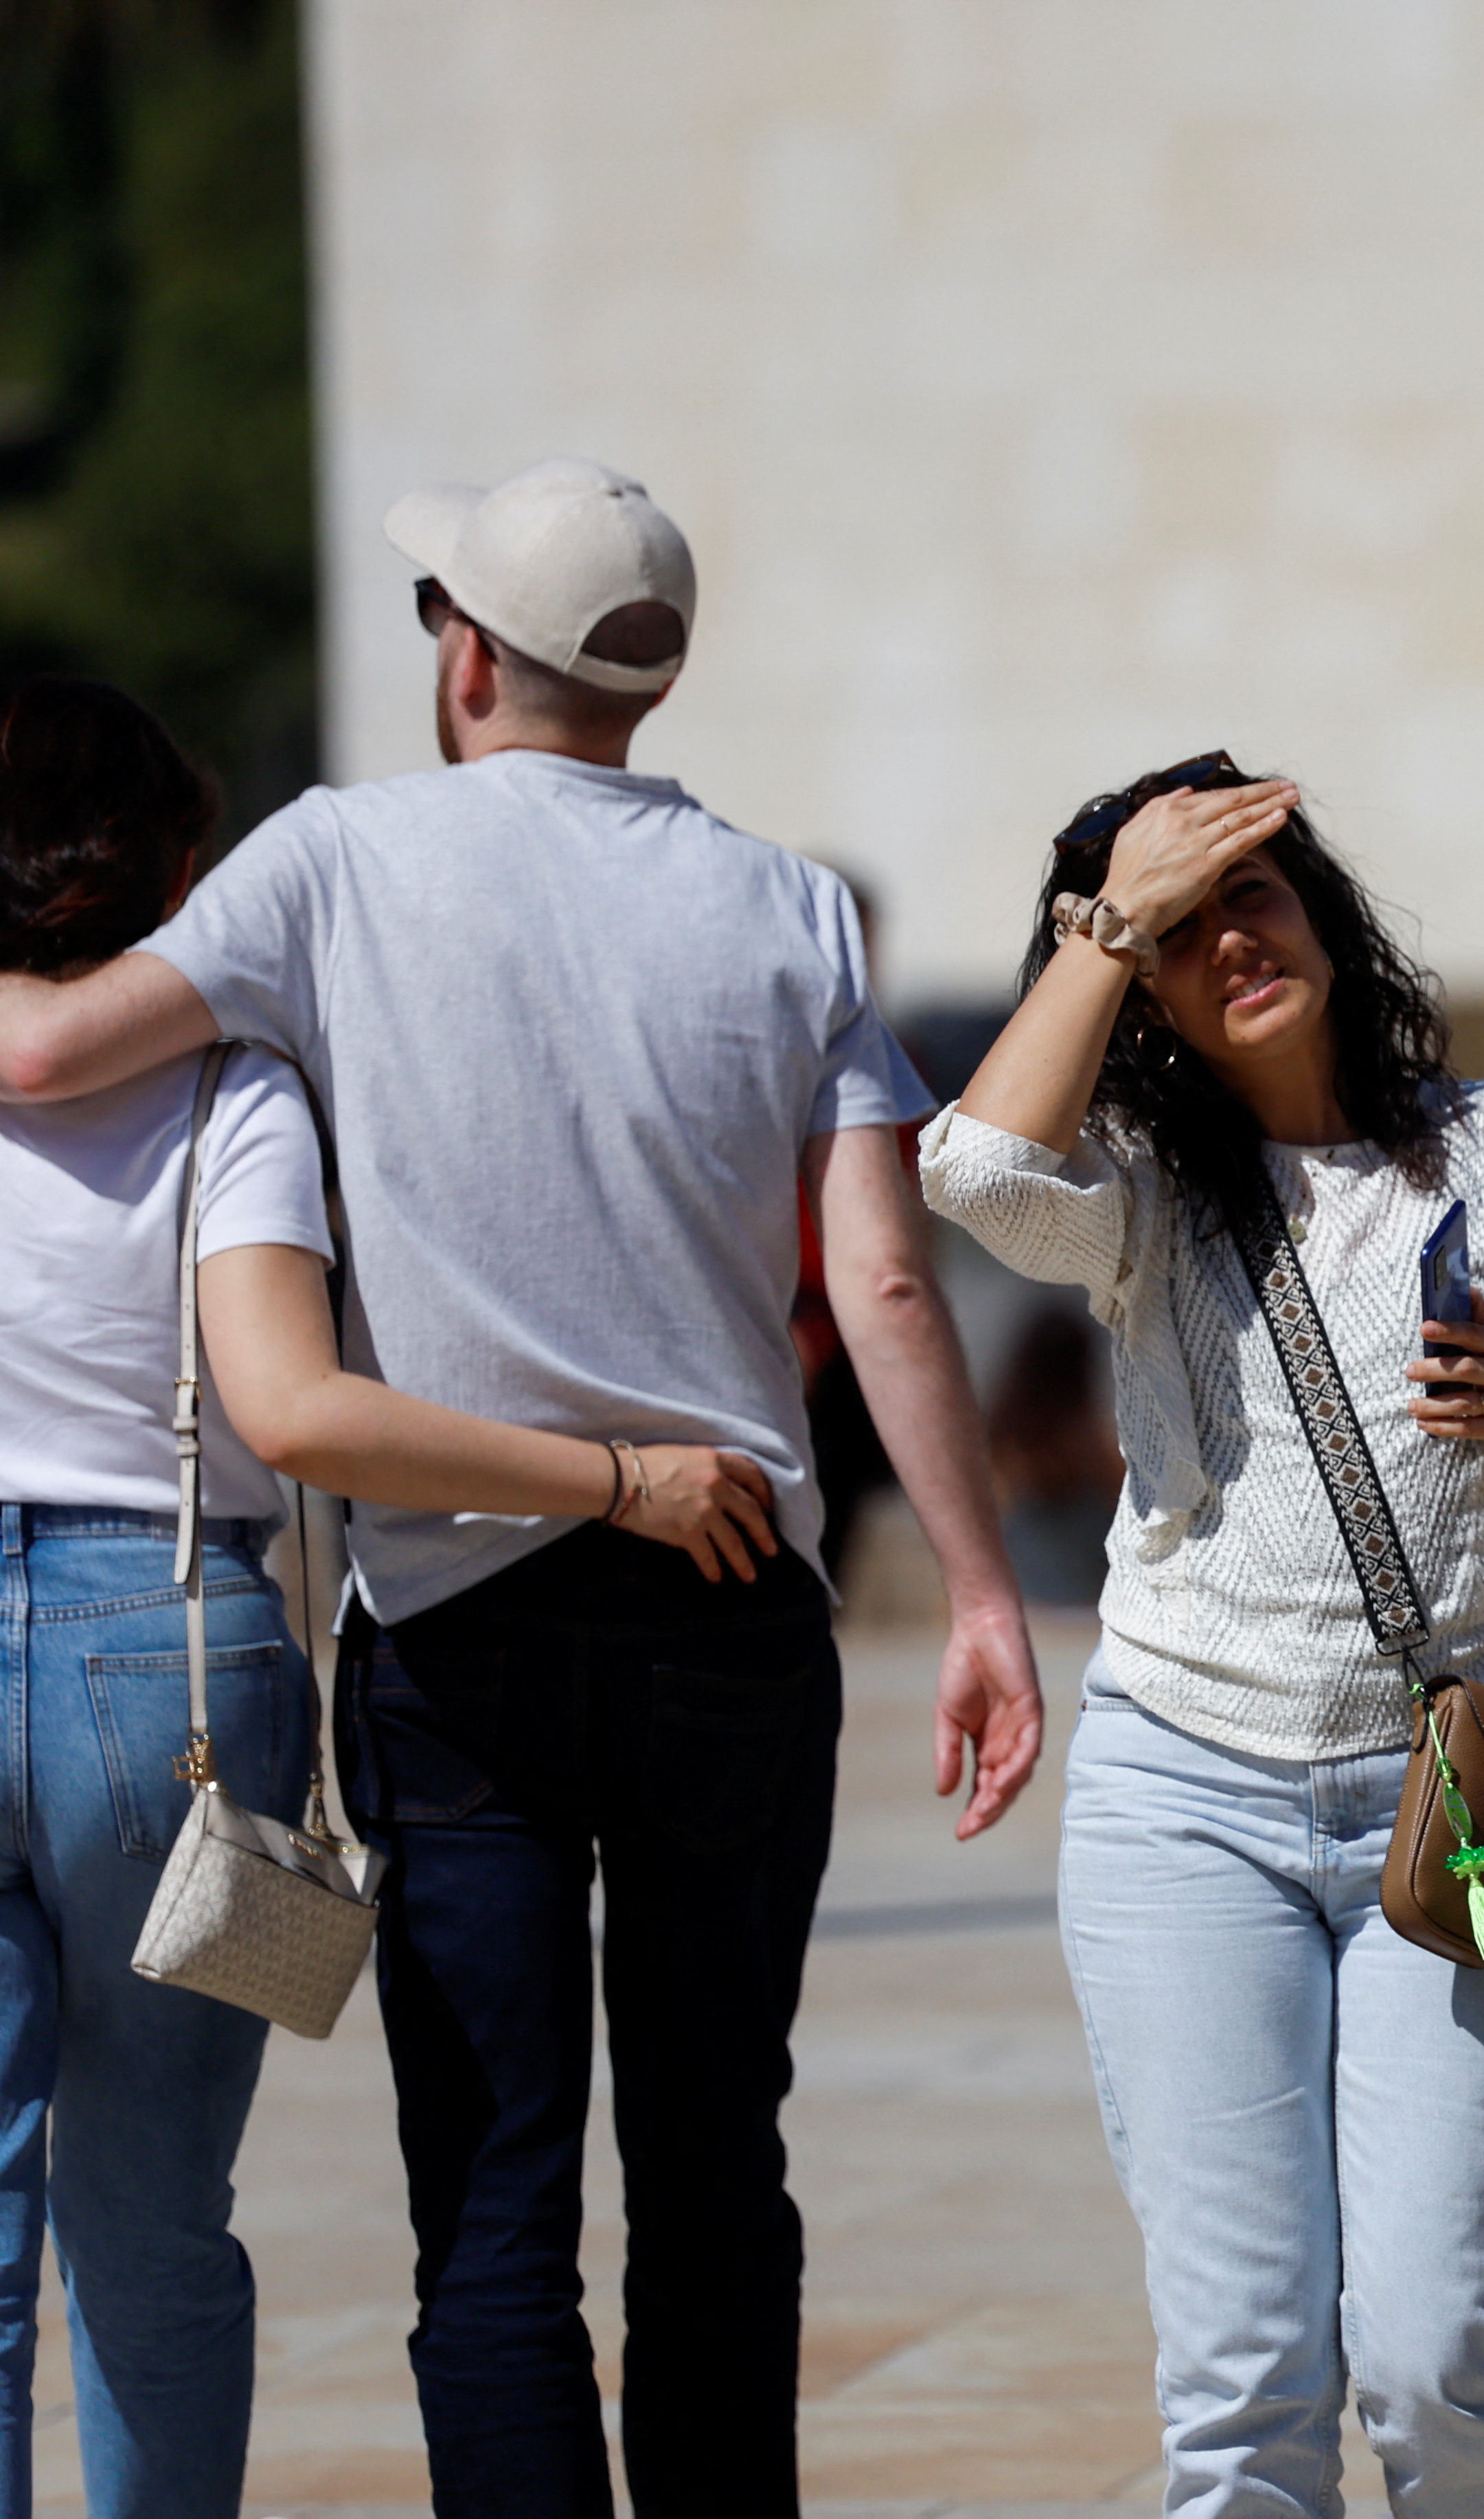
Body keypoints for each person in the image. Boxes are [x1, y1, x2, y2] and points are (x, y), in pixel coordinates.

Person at [0, 459, 1043, 2518]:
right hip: (733, 1592)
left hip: (458, 1617)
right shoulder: (790, 903)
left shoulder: (330, 864)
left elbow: (49, 1056)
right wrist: (989, 1597)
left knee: (491, 2208)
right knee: (717, 2168)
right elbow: (890, 1270)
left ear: (467, 652)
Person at [0, 676, 781, 2516]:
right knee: (157, 2222)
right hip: (165, 1649)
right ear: (178, 869)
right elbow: (286, 1406)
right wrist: (617, 1478)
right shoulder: (228, 1085)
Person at [922, 752, 1484, 2516]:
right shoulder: (1136, 1192)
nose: (1225, 938)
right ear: (1141, 987)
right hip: (1187, 1801)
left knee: (1439, 2341)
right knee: (1245, 2378)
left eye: (1248, 889)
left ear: (1317, 903)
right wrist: (1110, 915)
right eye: (1179, 929)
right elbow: (968, 1165)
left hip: (1457, 1780)